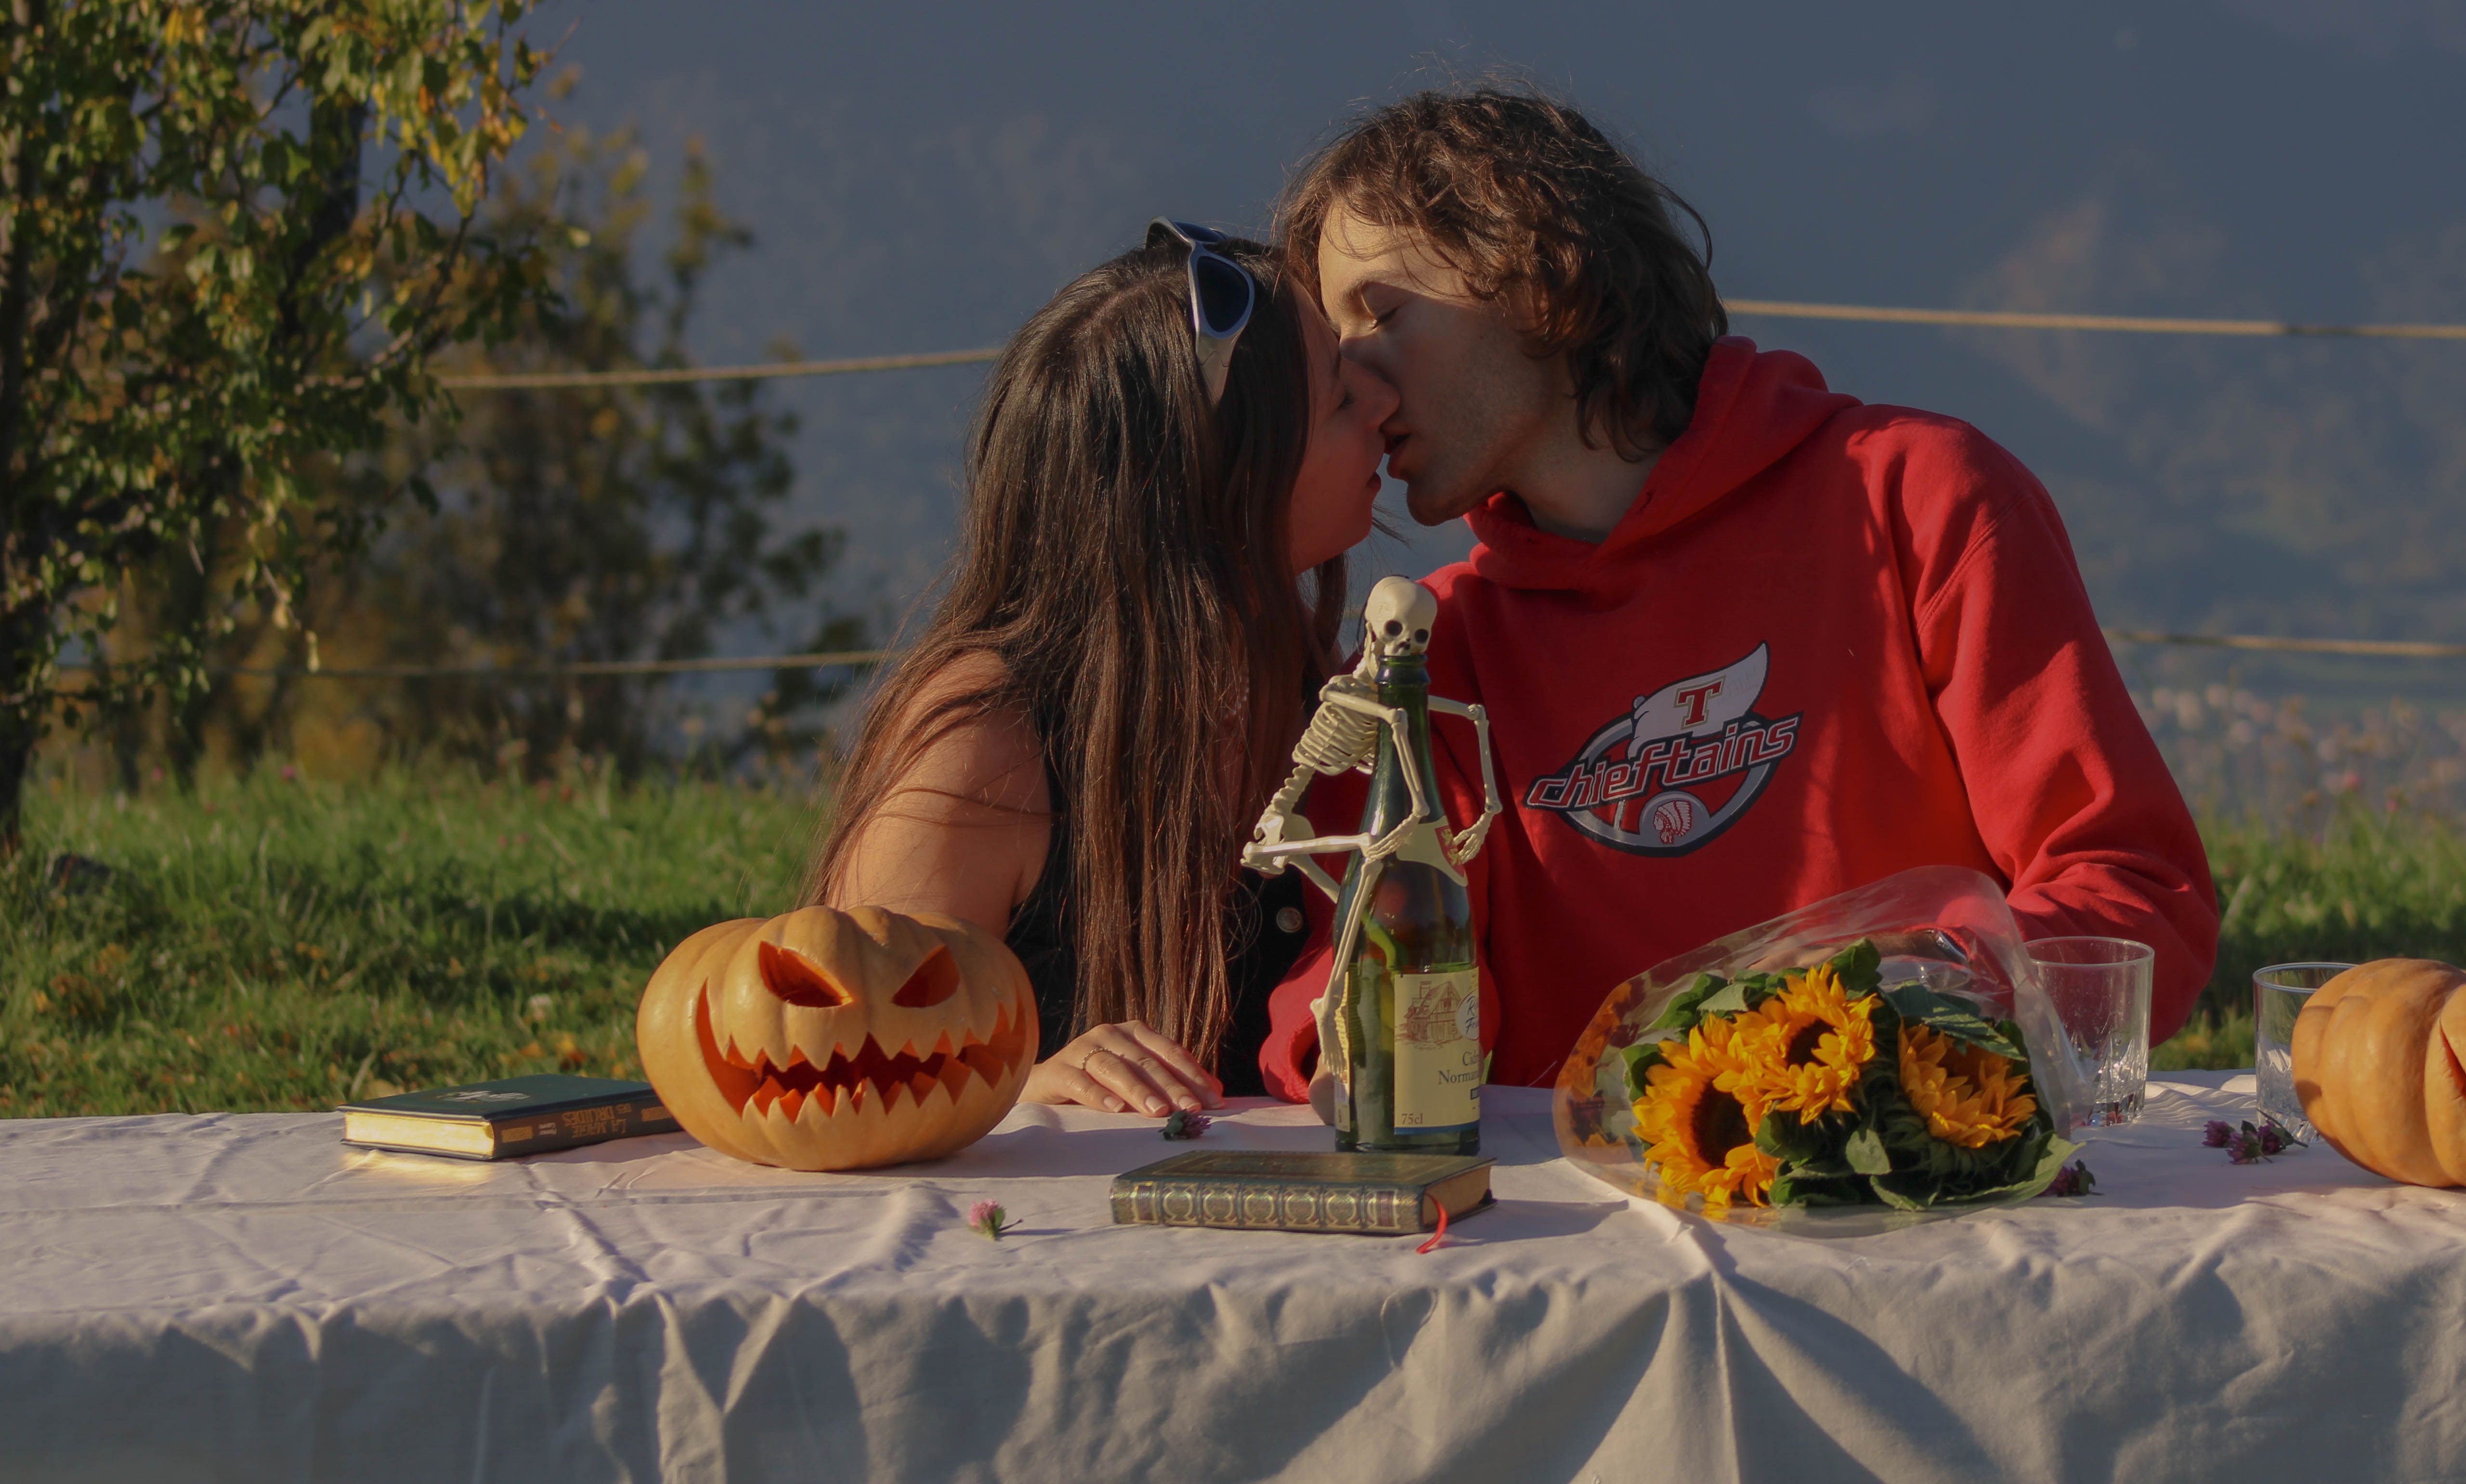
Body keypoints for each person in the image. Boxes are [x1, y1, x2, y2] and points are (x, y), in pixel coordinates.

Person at [1258, 89, 2219, 1094]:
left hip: (1908, 1160)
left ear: (1535, 276)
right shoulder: (1433, 651)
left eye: (1383, 314)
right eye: (1338, 350)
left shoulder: (1916, 500)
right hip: (1589, 1191)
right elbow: (1365, 991)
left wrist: (1895, 1032)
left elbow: (2132, 893)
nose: (1359, 386)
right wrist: (1343, 1041)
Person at [803, 221, 1397, 1114]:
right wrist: (1023, 1088)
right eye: (1342, 400)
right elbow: (830, 1066)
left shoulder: (1314, 686)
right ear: (1225, 480)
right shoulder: (987, 740)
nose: (1383, 404)